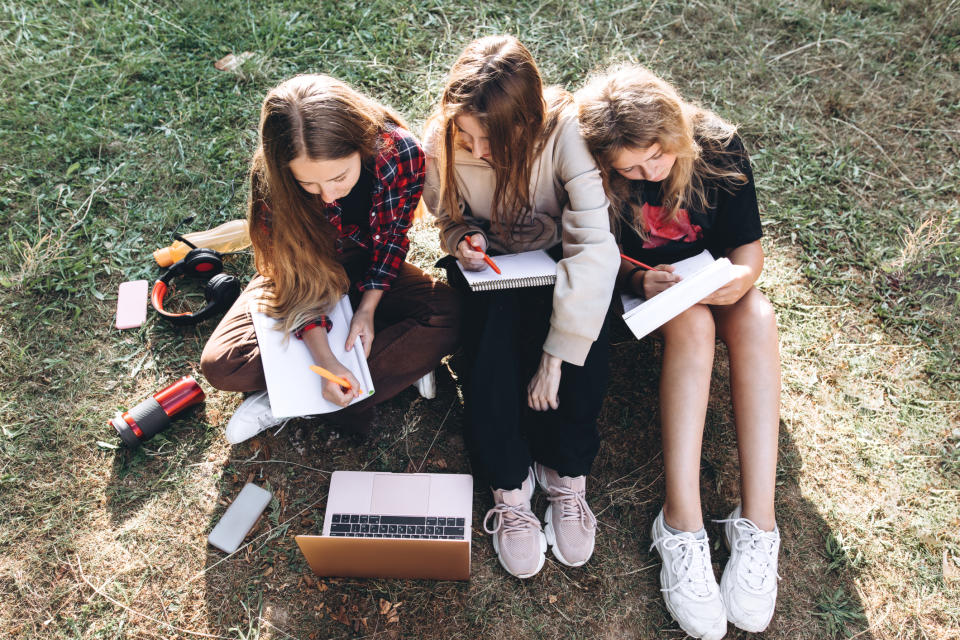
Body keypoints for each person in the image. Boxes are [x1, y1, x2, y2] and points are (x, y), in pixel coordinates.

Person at [576, 65, 782, 639]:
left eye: (657, 158)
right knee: (693, 327)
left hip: (712, 275)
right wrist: (639, 283)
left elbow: (747, 245)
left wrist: (742, 280)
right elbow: (587, 248)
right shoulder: (591, 167)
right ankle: (680, 522)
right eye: (631, 168)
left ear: (677, 135)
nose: (647, 173)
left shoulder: (717, 145)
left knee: (758, 317)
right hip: (649, 290)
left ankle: (759, 523)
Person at [422, 35, 620, 579]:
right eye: (467, 138)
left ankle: (565, 471)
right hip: (492, 271)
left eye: (492, 142)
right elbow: (447, 216)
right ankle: (510, 484)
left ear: (528, 123)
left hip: (555, 263)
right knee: (489, 348)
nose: (477, 151)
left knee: (588, 329)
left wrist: (557, 356)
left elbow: (594, 246)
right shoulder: (446, 137)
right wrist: (461, 236)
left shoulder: (565, 131)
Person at [200, 74, 461, 444]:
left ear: (363, 142)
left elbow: (390, 241)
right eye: (308, 184)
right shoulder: (273, 182)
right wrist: (324, 361)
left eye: (339, 177)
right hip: (300, 273)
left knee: (449, 312)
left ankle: (293, 393)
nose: (326, 197)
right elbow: (293, 280)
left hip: (366, 263)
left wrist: (368, 308)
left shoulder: (401, 152)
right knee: (225, 365)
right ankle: (379, 368)